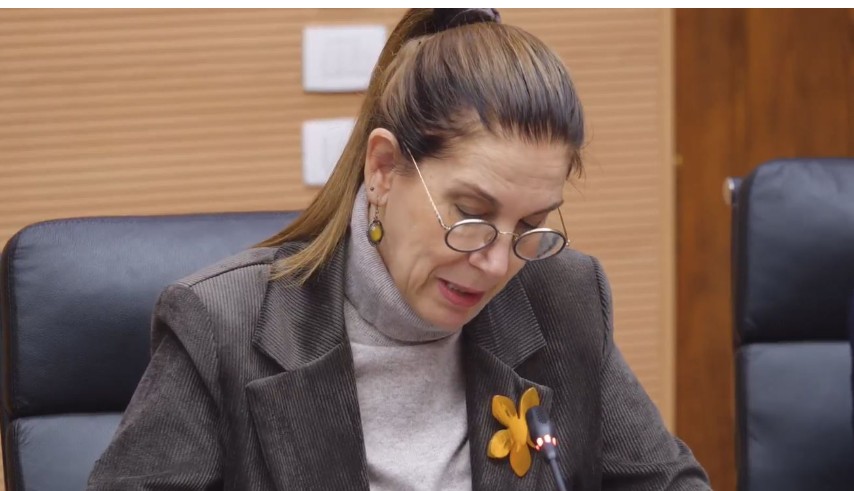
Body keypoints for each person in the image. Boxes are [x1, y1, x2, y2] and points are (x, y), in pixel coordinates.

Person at [88, 8, 711, 490]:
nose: (497, 263)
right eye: (471, 215)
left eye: (530, 225)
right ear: (384, 169)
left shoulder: (562, 301)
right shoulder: (222, 328)